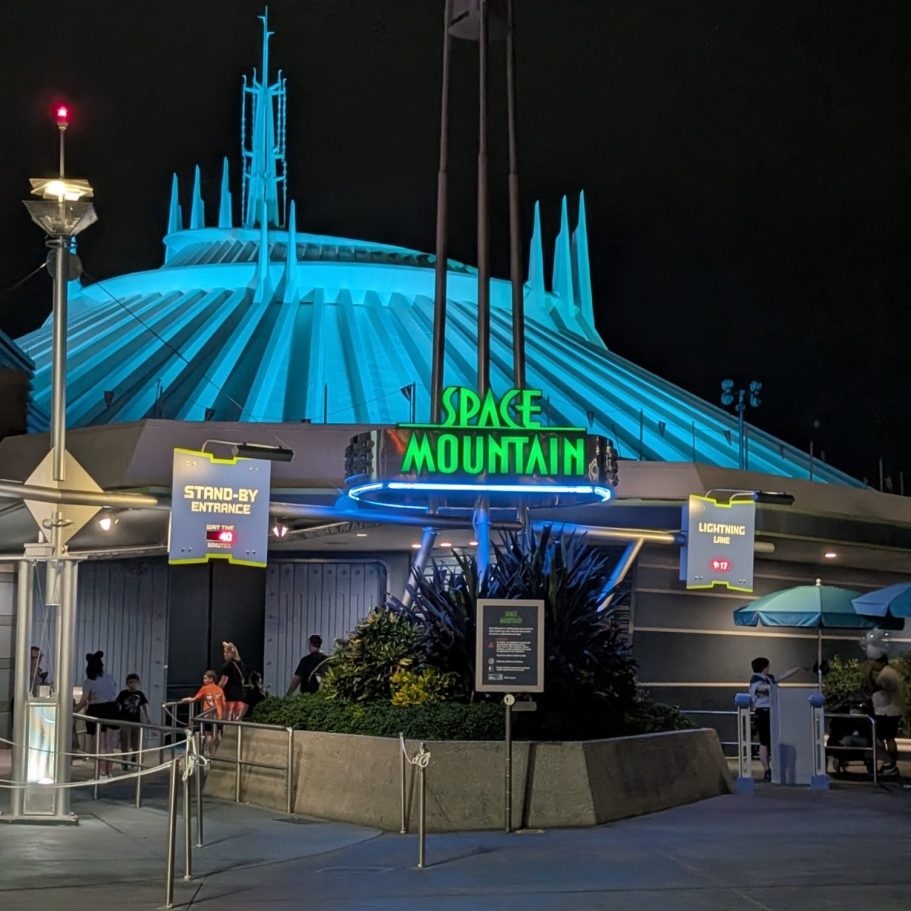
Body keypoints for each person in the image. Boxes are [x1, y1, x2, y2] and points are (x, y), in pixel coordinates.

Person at [749, 656, 803, 782]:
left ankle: (775, 768)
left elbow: (782, 676)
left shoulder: (769, 678)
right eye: (768, 666)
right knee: (764, 741)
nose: (769, 668)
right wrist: (770, 688)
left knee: (772, 740)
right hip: (763, 712)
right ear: (764, 667)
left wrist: (796, 669)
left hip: (773, 711)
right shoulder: (756, 679)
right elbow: (760, 689)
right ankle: (767, 769)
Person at [74, 651, 120, 776]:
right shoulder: (109, 677)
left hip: (97, 710)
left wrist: (74, 711)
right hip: (112, 709)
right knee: (108, 744)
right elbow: (112, 693)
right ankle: (109, 771)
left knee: (99, 744)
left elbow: (84, 701)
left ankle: (100, 772)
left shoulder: (89, 681)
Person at [869, 655, 904, 776]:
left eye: (873, 661)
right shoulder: (890, 672)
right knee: (890, 738)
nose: (871, 664)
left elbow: (877, 689)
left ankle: (888, 763)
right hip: (892, 710)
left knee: (877, 738)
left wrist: (869, 678)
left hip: (886, 711)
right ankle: (891, 764)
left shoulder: (885, 675)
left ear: (880, 662)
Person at [181, 670, 225, 756]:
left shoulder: (204, 688)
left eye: (205, 678)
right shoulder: (220, 690)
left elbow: (195, 698)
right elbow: (223, 703)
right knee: (216, 734)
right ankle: (213, 754)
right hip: (219, 716)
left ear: (211, 679)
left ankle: (205, 750)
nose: (203, 680)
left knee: (208, 734)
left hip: (208, 716)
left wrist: (186, 699)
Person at [116, 673, 151, 769]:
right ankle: (124, 761)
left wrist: (148, 717)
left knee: (135, 742)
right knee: (125, 741)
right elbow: (117, 705)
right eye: (130, 682)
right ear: (127, 684)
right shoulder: (123, 693)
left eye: (134, 682)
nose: (132, 684)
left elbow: (145, 705)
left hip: (136, 720)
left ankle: (135, 756)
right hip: (124, 720)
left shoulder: (140, 694)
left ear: (138, 683)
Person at [218, 641, 247, 720]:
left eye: (226, 652)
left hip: (230, 695)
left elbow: (223, 681)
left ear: (231, 653)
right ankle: (237, 732)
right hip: (240, 694)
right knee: (237, 717)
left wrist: (217, 690)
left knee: (228, 715)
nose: (224, 654)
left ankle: (227, 731)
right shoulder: (240, 663)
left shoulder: (227, 665)